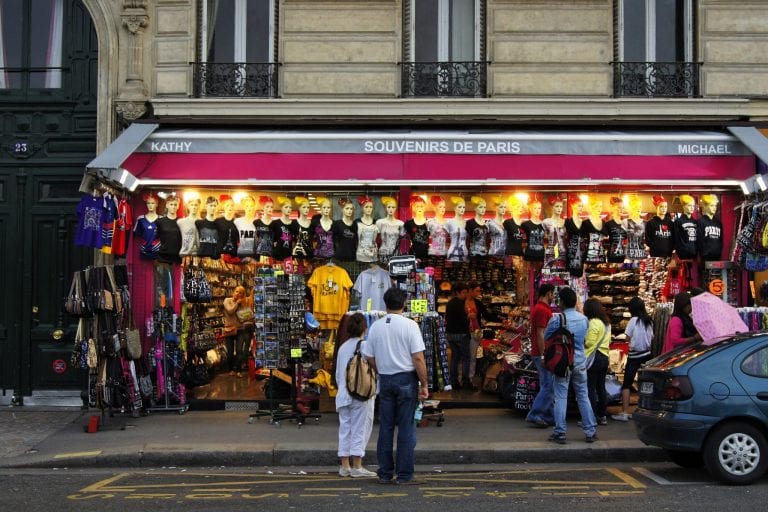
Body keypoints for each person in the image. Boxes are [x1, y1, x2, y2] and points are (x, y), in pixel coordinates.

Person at [362, 287, 429, 485]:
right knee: (406, 428)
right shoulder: (410, 326)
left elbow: (369, 356)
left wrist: (381, 368)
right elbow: (418, 358)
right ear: (404, 303)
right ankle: (404, 474)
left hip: (387, 379)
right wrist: (424, 383)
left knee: (386, 427)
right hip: (406, 379)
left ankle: (385, 473)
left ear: (385, 304)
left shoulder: (376, 327)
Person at [543, 286, 597, 444]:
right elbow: (584, 340)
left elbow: (547, 336)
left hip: (563, 363)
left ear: (562, 302)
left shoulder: (557, 319)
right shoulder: (584, 319)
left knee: (560, 396)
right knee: (583, 395)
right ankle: (590, 430)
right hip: (580, 362)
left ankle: (560, 432)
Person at [334, 312, 377, 478]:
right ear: (364, 329)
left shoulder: (343, 347)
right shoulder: (365, 346)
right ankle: (357, 465)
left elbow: (338, 374)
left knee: (345, 429)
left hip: (343, 394)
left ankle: (344, 465)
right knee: (360, 428)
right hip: (360, 395)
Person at [612, 296, 655, 422]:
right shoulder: (649, 321)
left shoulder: (633, 321)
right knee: (645, 383)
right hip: (647, 355)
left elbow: (627, 338)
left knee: (627, 384)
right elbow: (652, 337)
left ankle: (625, 412)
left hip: (634, 356)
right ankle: (646, 409)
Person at [525, 283, 555, 427]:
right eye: (552, 294)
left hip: (540, 352)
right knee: (548, 385)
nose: (553, 297)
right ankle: (535, 414)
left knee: (546, 385)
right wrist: (544, 354)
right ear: (549, 293)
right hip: (541, 352)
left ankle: (549, 416)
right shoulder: (542, 310)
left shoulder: (540, 308)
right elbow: (540, 333)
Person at [583, 298, 611, 426]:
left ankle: (591, 416)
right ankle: (602, 415)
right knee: (601, 387)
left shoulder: (594, 322)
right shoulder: (606, 323)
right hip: (605, 356)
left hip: (595, 358)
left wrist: (583, 340)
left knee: (590, 387)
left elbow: (589, 343)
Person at [444, 282, 471, 390]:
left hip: (450, 334)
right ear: (457, 292)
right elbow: (463, 321)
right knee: (466, 358)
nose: (465, 295)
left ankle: (454, 382)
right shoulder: (460, 304)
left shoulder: (450, 303)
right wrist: (469, 317)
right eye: (463, 292)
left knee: (455, 358)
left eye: (466, 292)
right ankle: (465, 382)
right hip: (461, 334)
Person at [222, 285, 251, 378]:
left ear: (243, 295)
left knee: (239, 351)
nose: (238, 294)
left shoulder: (242, 303)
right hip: (229, 330)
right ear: (233, 292)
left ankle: (238, 370)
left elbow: (246, 316)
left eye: (241, 293)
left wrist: (243, 306)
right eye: (237, 291)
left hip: (240, 329)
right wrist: (237, 304)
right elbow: (230, 311)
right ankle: (231, 369)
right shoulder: (227, 300)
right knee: (230, 352)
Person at [376, 196, 405, 260]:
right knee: (383, 269)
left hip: (396, 254)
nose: (391, 209)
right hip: (383, 253)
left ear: (396, 208)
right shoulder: (380, 222)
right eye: (389, 207)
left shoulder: (400, 223)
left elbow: (402, 236)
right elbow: (376, 239)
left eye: (393, 207)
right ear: (385, 208)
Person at [542, 194, 566, 269]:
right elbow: (542, 238)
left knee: (561, 274)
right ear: (552, 207)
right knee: (549, 275)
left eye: (561, 206)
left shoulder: (565, 222)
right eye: (557, 206)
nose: (559, 209)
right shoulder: (546, 222)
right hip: (550, 252)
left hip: (562, 252)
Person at [134, 192, 161, 259]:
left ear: (157, 204)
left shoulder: (162, 219)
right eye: (148, 203)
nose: (150, 205)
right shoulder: (141, 219)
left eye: (152, 203)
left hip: (157, 252)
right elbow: (136, 234)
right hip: (144, 251)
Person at [698, 194, 723, 260]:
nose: (714, 208)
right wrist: (703, 254)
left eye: (715, 205)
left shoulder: (718, 223)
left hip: (717, 257)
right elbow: (699, 240)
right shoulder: (701, 221)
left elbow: (720, 240)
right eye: (712, 205)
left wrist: (719, 252)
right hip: (705, 258)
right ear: (706, 206)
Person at [673, 194, 698, 260]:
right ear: (683, 206)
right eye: (689, 205)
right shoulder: (678, 221)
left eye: (693, 206)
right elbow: (676, 239)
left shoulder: (695, 222)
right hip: (683, 256)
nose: (692, 208)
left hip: (694, 254)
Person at [270, 196, 295, 260]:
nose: (288, 209)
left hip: (289, 255)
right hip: (277, 255)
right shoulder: (275, 223)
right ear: (281, 208)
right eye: (286, 207)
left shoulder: (294, 224)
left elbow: (294, 241)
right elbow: (272, 240)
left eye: (290, 207)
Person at [356, 196, 379, 262]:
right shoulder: (357, 222)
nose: (369, 209)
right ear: (362, 208)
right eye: (366, 207)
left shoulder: (376, 222)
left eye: (370, 207)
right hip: (361, 256)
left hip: (373, 256)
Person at [446, 196, 468, 262]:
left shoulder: (467, 223)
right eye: (460, 207)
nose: (462, 209)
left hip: (464, 251)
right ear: (454, 208)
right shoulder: (449, 222)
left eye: (464, 207)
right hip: (452, 251)